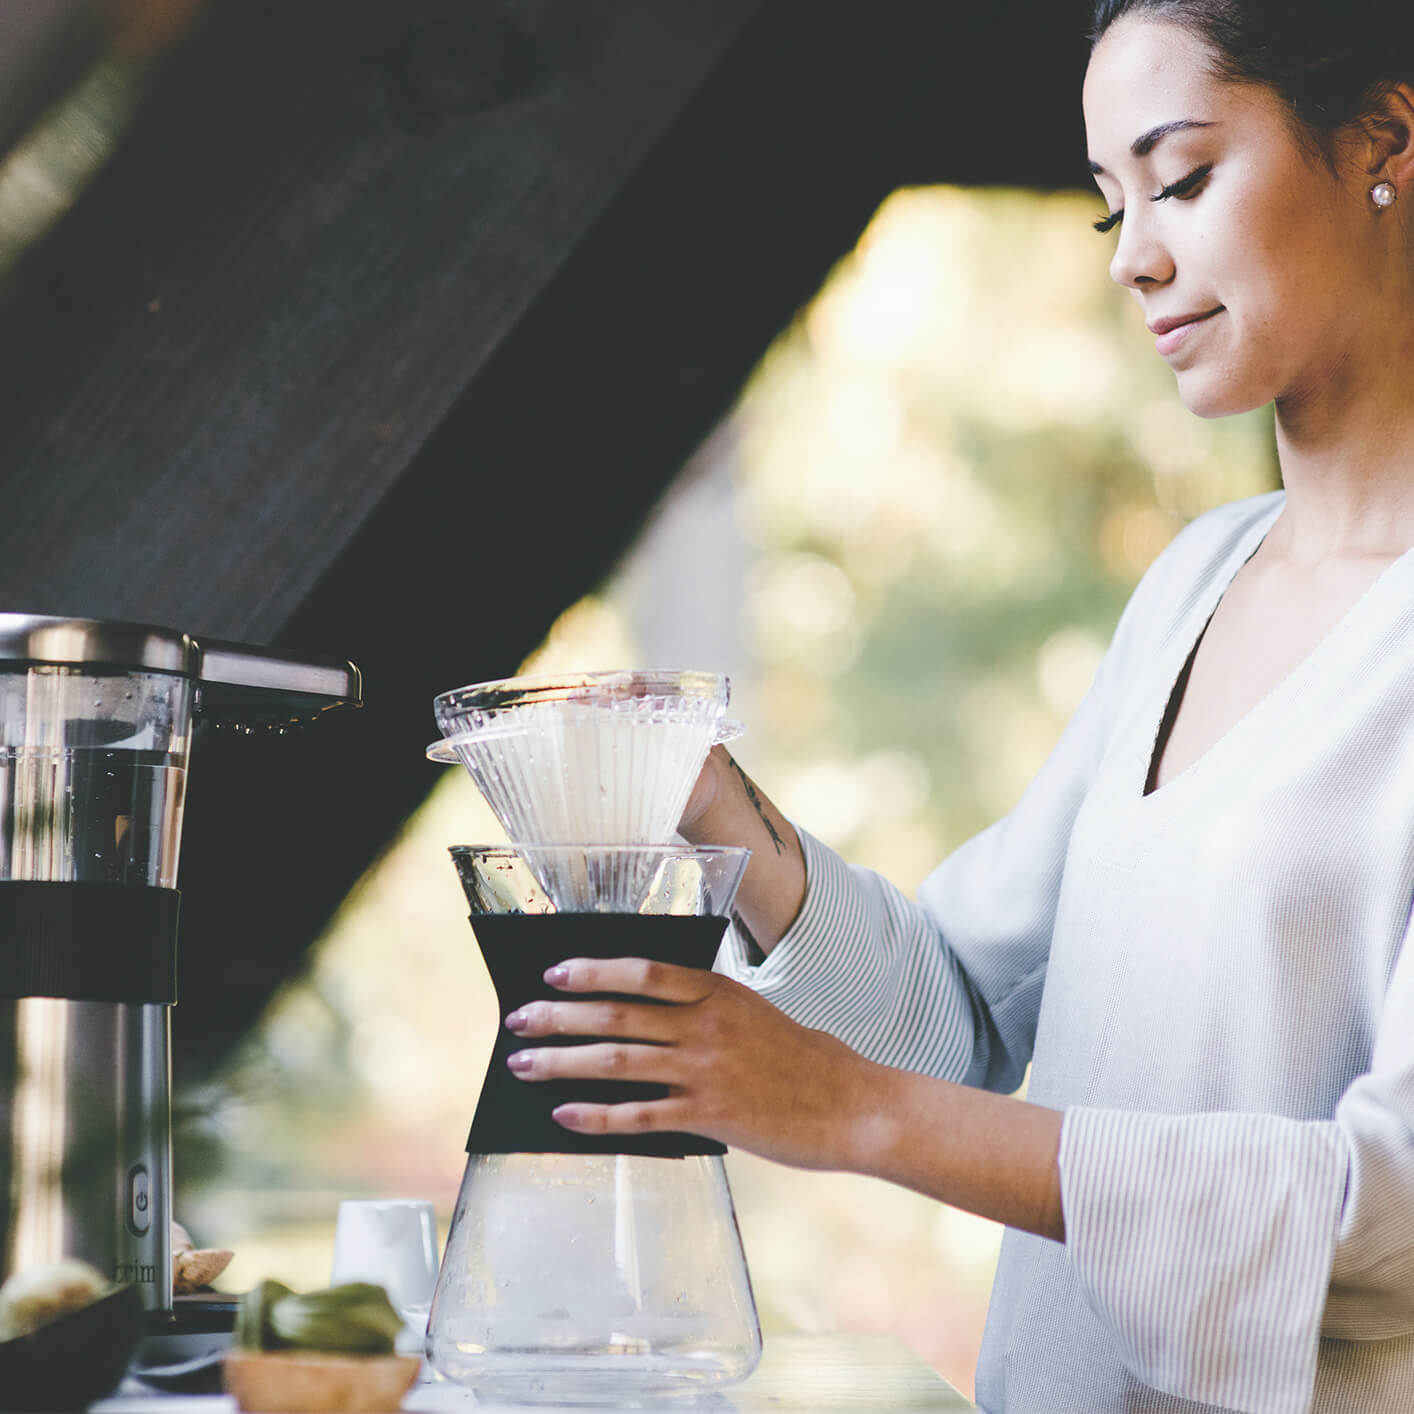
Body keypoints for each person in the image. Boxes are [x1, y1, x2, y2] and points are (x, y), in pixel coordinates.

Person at [499, 2, 1414, 1409]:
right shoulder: (1192, 585)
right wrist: (720, 811)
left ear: (1385, 138)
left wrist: (849, 1111)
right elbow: (959, 1020)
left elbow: (1388, 1208)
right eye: (1107, 208)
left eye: (1178, 179)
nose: (1137, 257)